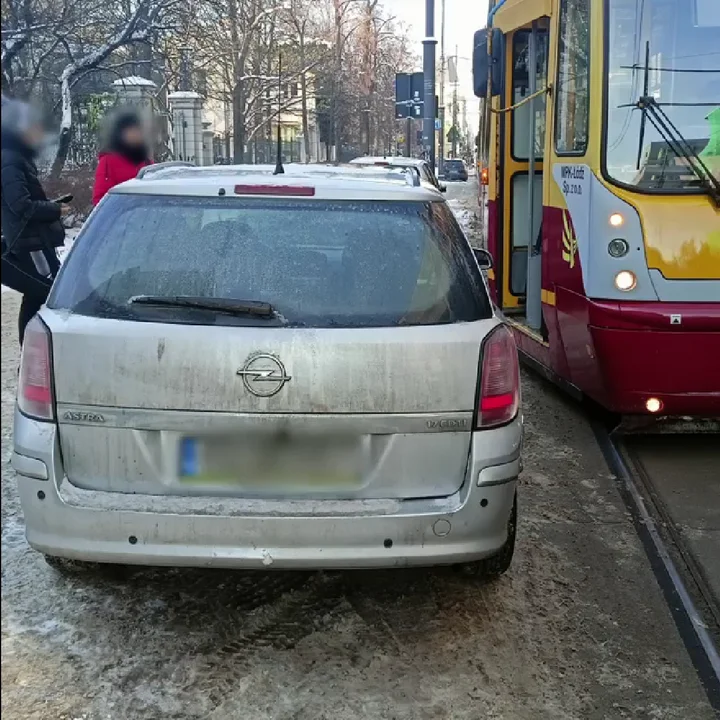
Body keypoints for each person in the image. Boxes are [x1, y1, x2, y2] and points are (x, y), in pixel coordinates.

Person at [1, 97, 68, 345]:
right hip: (29, 241)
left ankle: (32, 350)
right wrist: (55, 209)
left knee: (37, 294)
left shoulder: (15, 157)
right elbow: (20, 205)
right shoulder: (10, 159)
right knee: (42, 293)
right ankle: (31, 351)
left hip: (33, 238)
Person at [92, 108, 152, 205]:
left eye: (138, 130)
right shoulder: (108, 162)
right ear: (120, 134)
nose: (135, 134)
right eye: (131, 131)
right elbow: (100, 199)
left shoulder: (147, 162)